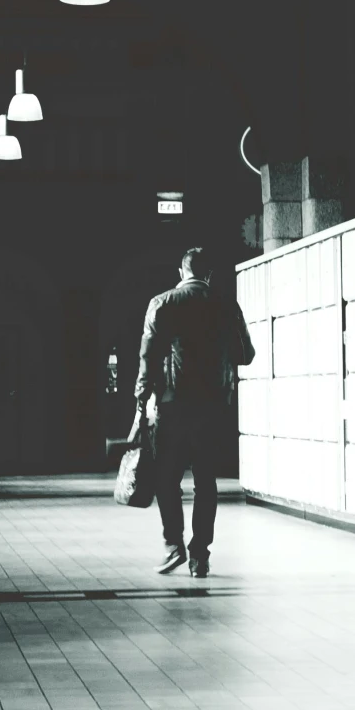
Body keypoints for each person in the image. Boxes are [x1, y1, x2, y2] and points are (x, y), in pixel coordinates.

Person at [132, 245, 254, 578]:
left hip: (173, 404)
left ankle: (174, 546)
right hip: (213, 407)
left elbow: (148, 356)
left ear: (181, 272)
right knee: (206, 481)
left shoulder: (162, 303)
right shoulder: (226, 305)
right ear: (210, 274)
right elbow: (246, 354)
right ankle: (201, 554)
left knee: (166, 478)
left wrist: (142, 396)